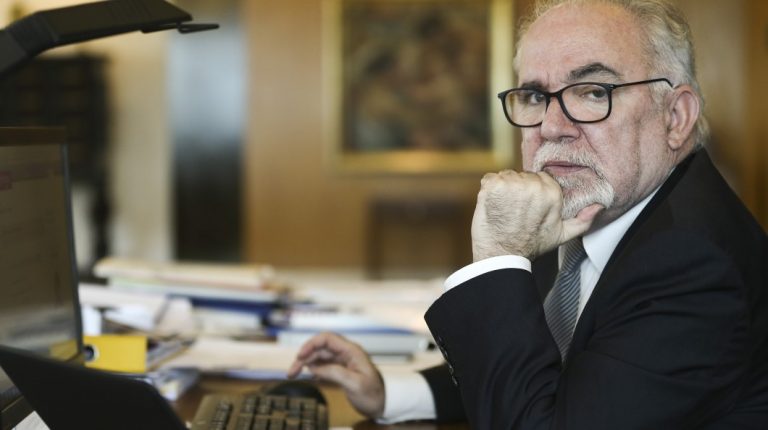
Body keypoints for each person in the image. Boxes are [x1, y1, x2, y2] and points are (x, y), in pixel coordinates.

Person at [288, 0, 768, 428]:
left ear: (675, 117)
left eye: (593, 92)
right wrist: (391, 392)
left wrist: (500, 254)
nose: (552, 127)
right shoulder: (595, 211)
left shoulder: (693, 262)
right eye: (536, 97)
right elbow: (542, 369)